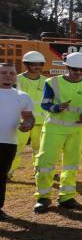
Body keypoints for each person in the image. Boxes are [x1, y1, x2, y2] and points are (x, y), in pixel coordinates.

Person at [33, 52, 82, 213]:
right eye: (75, 69)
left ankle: (67, 196)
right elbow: (45, 104)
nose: (79, 73)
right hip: (54, 129)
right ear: (67, 67)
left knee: (71, 164)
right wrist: (57, 107)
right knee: (45, 162)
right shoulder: (52, 83)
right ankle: (43, 197)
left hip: (77, 130)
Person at [1, 63, 35, 219]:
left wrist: (27, 124)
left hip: (9, 142)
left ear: (16, 77)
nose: (8, 76)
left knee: (1, 176)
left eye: (12, 73)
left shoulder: (23, 96)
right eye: (3, 72)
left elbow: (29, 117)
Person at [9, 51, 46, 177]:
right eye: (34, 64)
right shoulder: (17, 80)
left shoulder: (46, 82)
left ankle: (40, 172)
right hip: (21, 121)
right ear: (26, 64)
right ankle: (8, 172)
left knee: (39, 149)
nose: (37, 67)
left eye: (40, 64)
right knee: (16, 148)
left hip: (41, 122)